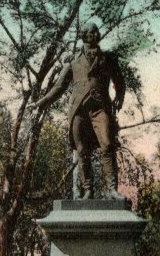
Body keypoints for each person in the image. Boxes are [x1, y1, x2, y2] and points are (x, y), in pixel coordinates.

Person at [32, 22, 126, 200]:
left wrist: (119, 97)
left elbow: (119, 81)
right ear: (84, 36)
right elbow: (58, 87)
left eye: (97, 31)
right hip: (78, 110)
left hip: (100, 108)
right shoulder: (73, 62)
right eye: (92, 32)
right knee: (82, 150)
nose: (96, 34)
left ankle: (112, 189)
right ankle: (88, 189)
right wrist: (41, 102)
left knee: (107, 145)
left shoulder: (108, 59)